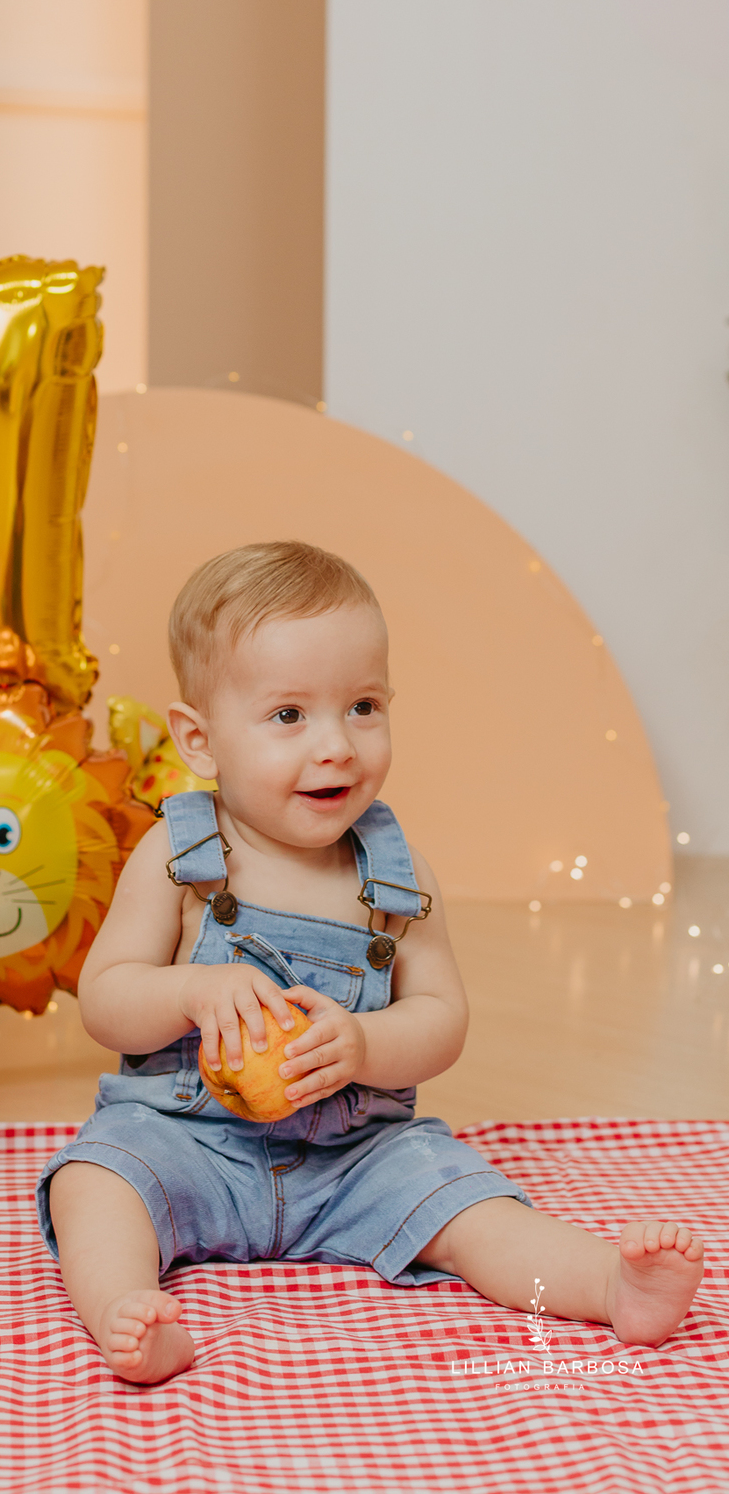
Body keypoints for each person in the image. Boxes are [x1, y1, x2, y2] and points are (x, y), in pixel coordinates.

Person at [36, 541, 704, 1383]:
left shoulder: (394, 873)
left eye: (362, 706)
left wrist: (363, 1044)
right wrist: (190, 990)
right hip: (187, 1144)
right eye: (289, 716)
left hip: (354, 1158)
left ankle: (609, 1284)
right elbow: (105, 1000)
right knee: (95, 1180)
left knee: (467, 1201)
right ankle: (125, 1310)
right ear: (199, 740)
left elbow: (441, 1018)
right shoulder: (176, 855)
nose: (337, 746)